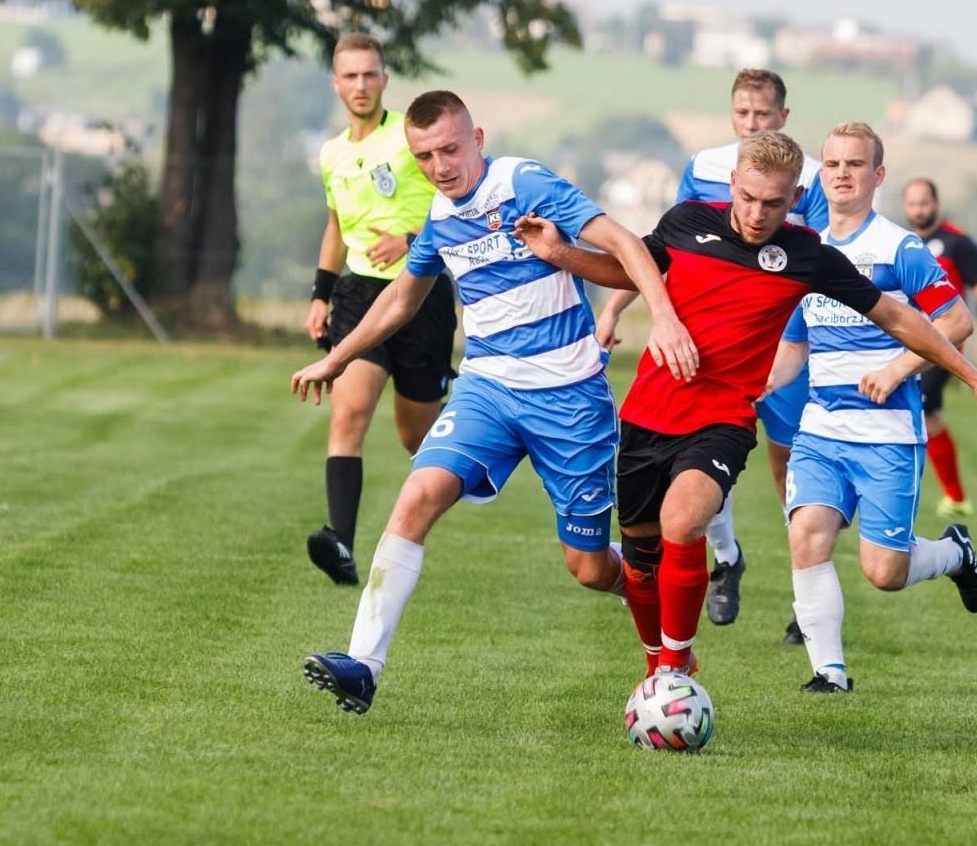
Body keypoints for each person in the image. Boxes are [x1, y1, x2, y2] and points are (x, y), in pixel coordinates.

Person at [513, 130, 977, 683]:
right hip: (647, 414)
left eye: (773, 202)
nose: (757, 213)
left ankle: (674, 676)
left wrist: (973, 377)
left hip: (722, 420)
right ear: (733, 184)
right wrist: (559, 254)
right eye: (748, 198)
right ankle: (659, 662)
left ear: (796, 197)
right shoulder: (686, 221)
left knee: (682, 523)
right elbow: (633, 269)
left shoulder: (807, 257)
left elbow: (898, 318)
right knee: (639, 563)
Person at [291, 90, 698, 714]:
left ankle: (640, 601)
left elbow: (624, 241)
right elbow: (402, 298)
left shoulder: (523, 183)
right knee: (417, 496)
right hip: (488, 387)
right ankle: (363, 665)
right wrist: (338, 356)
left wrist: (664, 318)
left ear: (477, 138)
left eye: (450, 149)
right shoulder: (439, 217)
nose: (440, 166)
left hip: (569, 396)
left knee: (588, 567)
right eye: (424, 156)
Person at [594, 69, 828, 630]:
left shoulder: (811, 180)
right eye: (743, 114)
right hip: (702, 348)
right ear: (732, 114)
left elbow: (823, 262)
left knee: (785, 468)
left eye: (763, 115)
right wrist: (613, 309)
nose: (752, 124)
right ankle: (726, 561)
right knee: (689, 481)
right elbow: (664, 253)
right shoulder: (704, 168)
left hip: (782, 340)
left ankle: (808, 602)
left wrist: (798, 344)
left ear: (783, 119)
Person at [768, 126, 977, 693]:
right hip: (821, 429)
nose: (842, 172)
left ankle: (954, 554)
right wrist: (753, 387)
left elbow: (957, 321)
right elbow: (794, 344)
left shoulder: (900, 248)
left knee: (884, 572)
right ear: (820, 175)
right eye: (833, 163)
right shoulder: (807, 252)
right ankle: (830, 672)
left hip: (888, 433)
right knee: (807, 536)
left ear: (878, 175)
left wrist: (897, 367)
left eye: (855, 164)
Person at [304, 33, 458, 586]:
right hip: (360, 295)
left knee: (417, 438)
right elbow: (335, 227)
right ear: (337, 83)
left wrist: (412, 236)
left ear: (385, 79)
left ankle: (481, 426)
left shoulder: (408, 139)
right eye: (351, 76)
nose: (361, 85)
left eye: (370, 74)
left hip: (421, 297)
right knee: (348, 414)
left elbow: (455, 198)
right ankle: (340, 542)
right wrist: (321, 293)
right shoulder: (332, 153)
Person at [901, 177, 977, 519]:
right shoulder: (900, 244)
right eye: (913, 204)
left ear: (936, 203)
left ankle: (949, 495)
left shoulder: (958, 243)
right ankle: (954, 496)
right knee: (924, 414)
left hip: (946, 347)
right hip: (906, 344)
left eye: (925, 203)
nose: (920, 210)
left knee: (921, 411)